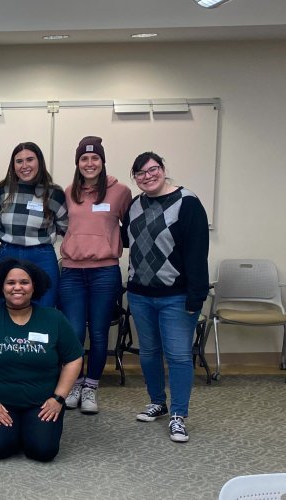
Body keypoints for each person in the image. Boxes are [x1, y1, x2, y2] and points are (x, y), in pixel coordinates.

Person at [122, 151, 209, 443]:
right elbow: (128, 242)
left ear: (162, 169)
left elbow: (198, 254)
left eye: (152, 170)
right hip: (140, 294)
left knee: (179, 356)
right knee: (148, 353)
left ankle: (178, 416)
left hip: (177, 296)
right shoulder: (134, 205)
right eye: (140, 173)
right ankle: (158, 403)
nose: (148, 176)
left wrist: (195, 298)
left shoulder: (188, 203)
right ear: (135, 178)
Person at [0, 258, 83, 462]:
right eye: (11, 283)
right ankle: (11, 429)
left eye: (24, 282)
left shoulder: (54, 318)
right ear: (1, 286)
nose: (18, 287)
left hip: (42, 403)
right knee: (0, 448)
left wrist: (58, 399)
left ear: (34, 286)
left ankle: (29, 429)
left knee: (43, 452)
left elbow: (73, 359)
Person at [58, 137, 132, 414]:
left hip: (105, 271)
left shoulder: (120, 191)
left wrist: (112, 242)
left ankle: (91, 387)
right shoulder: (68, 192)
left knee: (99, 333)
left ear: (102, 162)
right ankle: (74, 384)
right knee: (74, 333)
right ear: (77, 163)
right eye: (84, 159)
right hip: (73, 272)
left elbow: (131, 225)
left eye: (95, 159)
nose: (89, 164)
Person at [0, 142, 68, 307]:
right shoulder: (2, 190)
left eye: (30, 160)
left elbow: (67, 228)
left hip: (41, 256)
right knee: (7, 309)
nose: (24, 165)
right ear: (13, 166)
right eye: (19, 161)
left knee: (44, 309)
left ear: (39, 162)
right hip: (8, 254)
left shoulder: (54, 193)